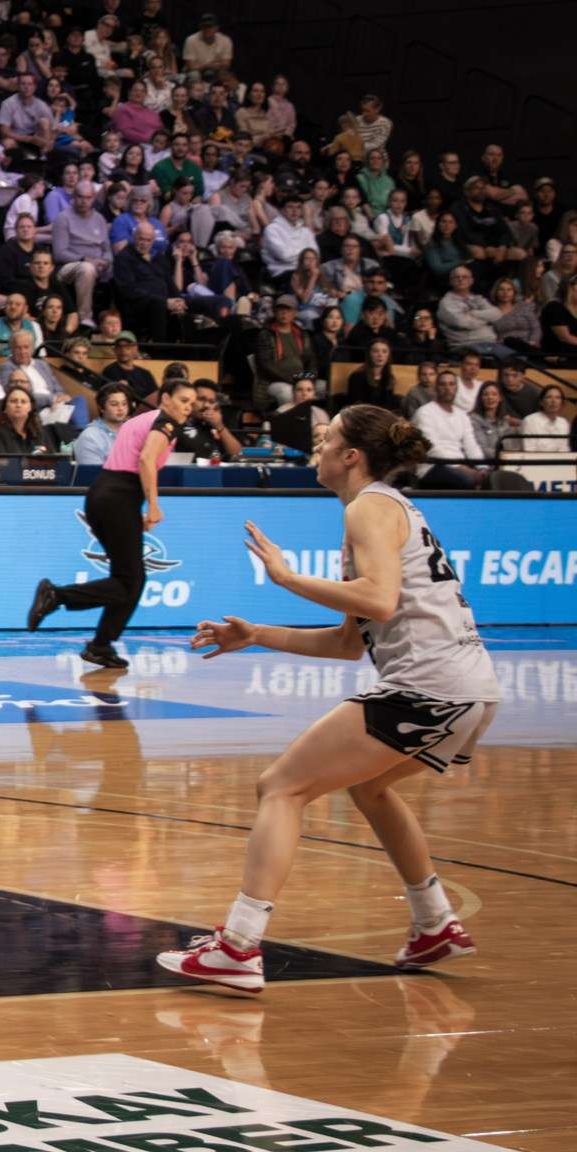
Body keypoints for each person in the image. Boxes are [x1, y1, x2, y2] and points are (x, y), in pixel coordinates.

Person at [162, 405, 495, 992]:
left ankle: (238, 947)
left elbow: (381, 600)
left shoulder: (370, 505)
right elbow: (348, 643)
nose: (318, 444)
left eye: (328, 437)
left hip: (429, 683)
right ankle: (435, 920)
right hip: (469, 689)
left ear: (352, 457)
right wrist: (258, 634)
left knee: (280, 787)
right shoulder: (382, 510)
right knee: (369, 787)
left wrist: (287, 578)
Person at [28, 378, 196, 668]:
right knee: (130, 581)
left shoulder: (142, 419)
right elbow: (145, 460)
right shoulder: (165, 423)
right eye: (183, 401)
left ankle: (101, 645)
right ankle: (57, 596)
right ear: (166, 398)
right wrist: (154, 506)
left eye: (192, 404)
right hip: (119, 497)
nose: (188, 408)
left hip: (103, 495)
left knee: (130, 579)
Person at [73, 383, 133, 466]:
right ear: (101, 408)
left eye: (124, 404)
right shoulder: (90, 437)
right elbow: (92, 475)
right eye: (114, 404)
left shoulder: (132, 431)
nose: (121, 408)